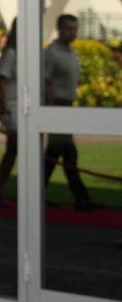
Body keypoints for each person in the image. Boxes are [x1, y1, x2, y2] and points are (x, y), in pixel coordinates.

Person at [42, 13, 93, 210]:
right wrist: (51, 110)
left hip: (67, 107)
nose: (72, 33)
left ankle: (40, 192)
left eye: (75, 29)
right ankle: (81, 197)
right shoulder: (52, 52)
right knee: (65, 153)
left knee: (58, 154)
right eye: (69, 29)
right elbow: (45, 81)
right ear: (60, 29)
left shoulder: (71, 52)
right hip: (57, 107)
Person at [0, 19, 18, 208]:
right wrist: (5, 107)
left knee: (14, 150)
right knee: (12, 150)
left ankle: (0, 191)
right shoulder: (10, 53)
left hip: (19, 106)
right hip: (13, 106)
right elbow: (2, 80)